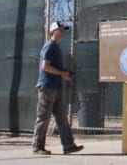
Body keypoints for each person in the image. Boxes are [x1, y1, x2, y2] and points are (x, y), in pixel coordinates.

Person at [32, 21, 83, 155]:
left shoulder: (56, 47)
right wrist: (62, 73)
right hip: (47, 87)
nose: (63, 33)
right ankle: (37, 147)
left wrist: (64, 74)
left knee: (61, 117)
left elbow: (54, 67)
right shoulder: (49, 46)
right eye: (60, 30)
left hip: (56, 86)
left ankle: (68, 145)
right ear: (53, 31)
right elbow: (45, 67)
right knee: (43, 117)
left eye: (63, 31)